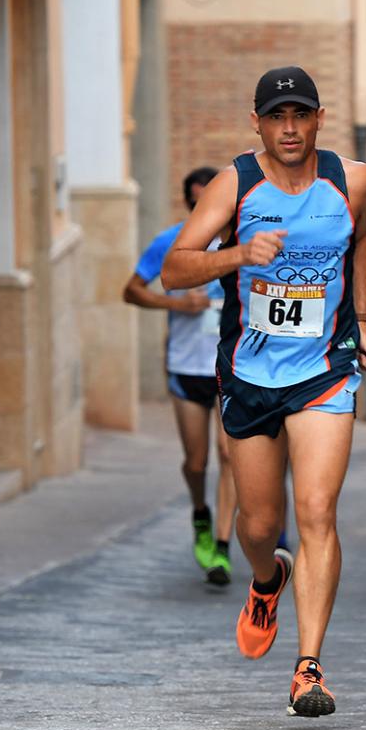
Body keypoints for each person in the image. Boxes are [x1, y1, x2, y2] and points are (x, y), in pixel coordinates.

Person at [162, 66, 366, 718]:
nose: (290, 129)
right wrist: (238, 254)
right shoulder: (235, 184)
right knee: (259, 526)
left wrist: (364, 320)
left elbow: (360, 240)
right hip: (250, 374)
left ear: (319, 120)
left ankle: (308, 668)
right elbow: (175, 269)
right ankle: (267, 579)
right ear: (256, 123)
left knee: (316, 512)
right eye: (277, 117)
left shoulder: (353, 181)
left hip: (325, 369)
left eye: (301, 116)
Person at [124, 167, 237, 586]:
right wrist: (176, 305)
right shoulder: (171, 241)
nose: (201, 206)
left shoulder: (239, 241)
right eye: (194, 200)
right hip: (187, 366)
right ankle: (200, 512)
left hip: (231, 367)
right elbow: (131, 290)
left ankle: (222, 547)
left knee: (229, 455)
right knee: (196, 461)